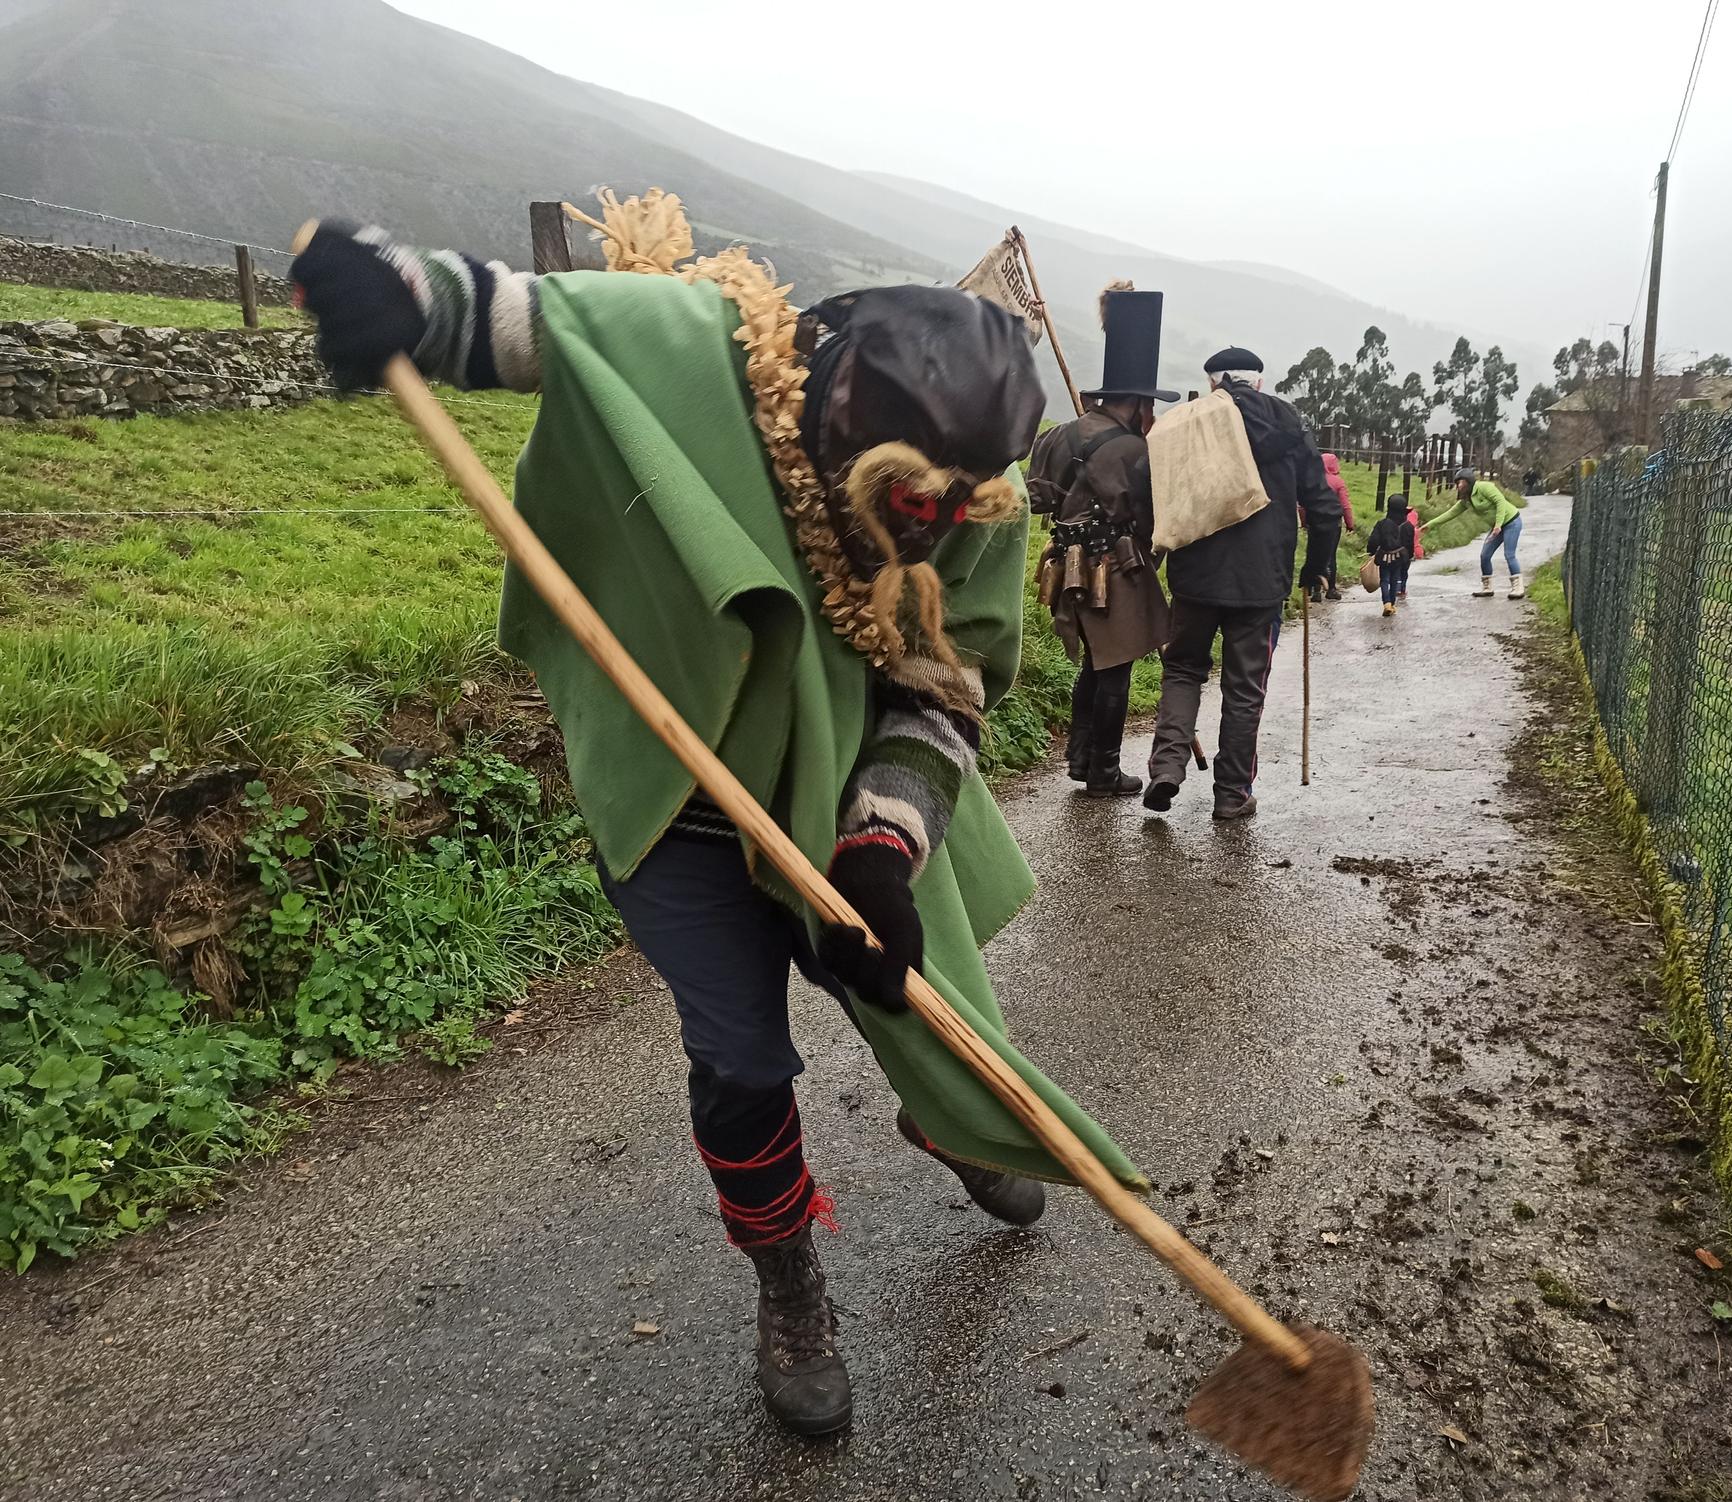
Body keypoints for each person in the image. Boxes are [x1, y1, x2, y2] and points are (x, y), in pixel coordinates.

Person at [287, 194, 1142, 1439]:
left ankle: (951, 1116)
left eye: (950, 501)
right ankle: (788, 1279)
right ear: (827, 398)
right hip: (674, 790)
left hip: (833, 783)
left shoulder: (977, 503)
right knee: (739, 1063)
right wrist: (388, 292)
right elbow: (506, 319)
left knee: (922, 997)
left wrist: (882, 848)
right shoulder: (708, 353)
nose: (926, 521)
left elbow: (945, 693)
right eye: (899, 491)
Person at [1143, 346, 1344, 820]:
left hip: (1194, 577)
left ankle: (1166, 767)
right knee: (1244, 687)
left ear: (1213, 383)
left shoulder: (1188, 422)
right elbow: (1325, 507)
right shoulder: (1290, 424)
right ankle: (1232, 793)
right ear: (1258, 382)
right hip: (1261, 583)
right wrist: (1316, 567)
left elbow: (1154, 488)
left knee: (1183, 670)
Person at [1028, 288, 1175, 796]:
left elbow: (1039, 499)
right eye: (1147, 405)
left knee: (1096, 662)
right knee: (1114, 667)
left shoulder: (1062, 434)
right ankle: (1104, 771)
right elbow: (1153, 519)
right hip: (1113, 567)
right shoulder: (1136, 449)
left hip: (1066, 564)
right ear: (1136, 403)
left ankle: (1081, 758)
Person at [1428, 466, 1526, 598]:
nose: (1458, 486)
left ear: (1468, 482)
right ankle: (1487, 587)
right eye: (1457, 483)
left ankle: (1518, 587)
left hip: (1511, 521)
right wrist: (1428, 525)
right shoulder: (1465, 500)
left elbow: (1500, 502)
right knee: (1485, 556)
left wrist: (1498, 525)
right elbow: (1450, 514)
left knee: (1509, 554)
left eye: (1460, 482)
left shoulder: (1484, 487)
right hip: (1496, 527)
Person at [1311, 451, 1359, 601]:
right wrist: (1350, 524)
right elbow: (1345, 506)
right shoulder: (1338, 482)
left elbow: (1302, 506)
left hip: (1315, 523)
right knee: (1330, 555)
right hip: (1333, 524)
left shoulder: (1313, 480)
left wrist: (1305, 521)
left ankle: (1316, 591)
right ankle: (1331, 588)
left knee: (1315, 554)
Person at [1368, 494, 1416, 617]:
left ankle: (1387, 603)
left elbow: (1373, 540)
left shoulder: (1382, 523)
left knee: (1384, 580)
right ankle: (1393, 604)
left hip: (1384, 557)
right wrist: (1409, 556)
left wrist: (1371, 551)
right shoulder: (1408, 526)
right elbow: (1410, 544)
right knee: (1395, 580)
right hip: (1399, 558)